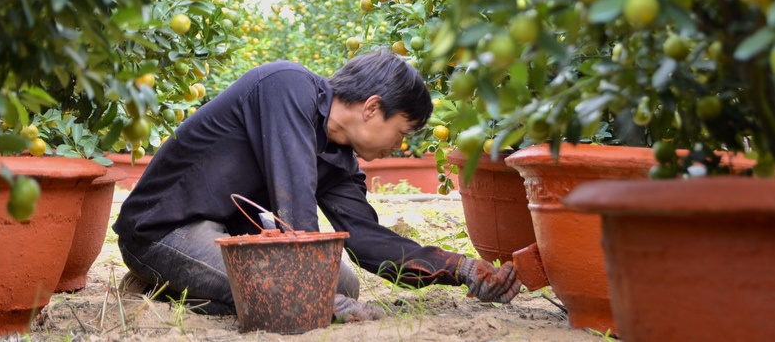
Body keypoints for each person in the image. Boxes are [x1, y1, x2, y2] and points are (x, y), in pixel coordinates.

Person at [113, 49, 521, 322]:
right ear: (372, 107)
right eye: (402, 132)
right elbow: (295, 199)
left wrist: (462, 268)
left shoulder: (339, 158)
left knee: (343, 284)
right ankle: (158, 275)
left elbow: (364, 238)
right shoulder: (286, 85)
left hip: (230, 239)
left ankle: (172, 285)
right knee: (302, 295)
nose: (399, 145)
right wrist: (312, 295)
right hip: (163, 229)